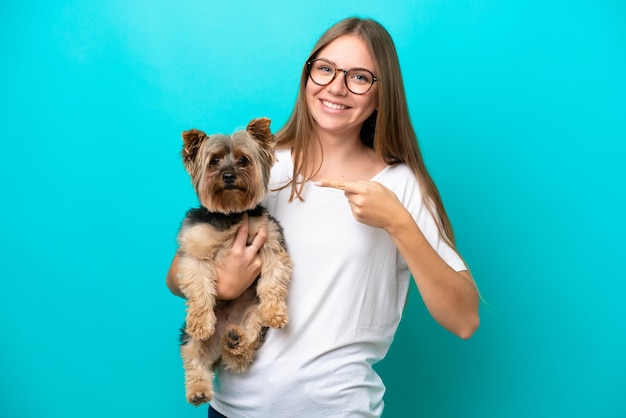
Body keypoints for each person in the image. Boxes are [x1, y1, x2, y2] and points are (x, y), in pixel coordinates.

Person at [167, 16, 480, 417]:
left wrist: (398, 223)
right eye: (326, 69)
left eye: (360, 77)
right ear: (307, 75)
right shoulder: (260, 168)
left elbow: (464, 319)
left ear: (383, 96)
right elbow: (177, 275)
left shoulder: (400, 186)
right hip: (231, 412)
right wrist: (224, 285)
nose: (336, 86)